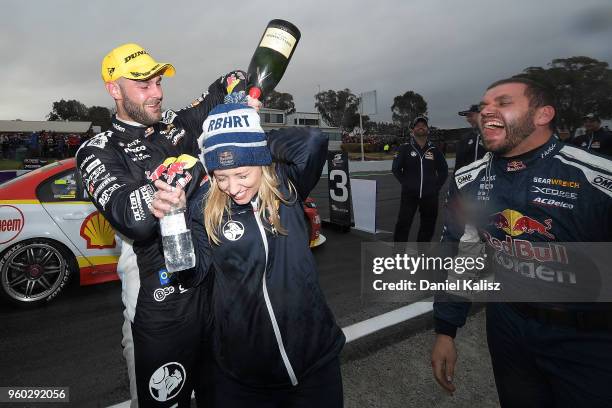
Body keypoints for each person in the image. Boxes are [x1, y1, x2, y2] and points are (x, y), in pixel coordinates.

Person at [76, 43, 253, 407]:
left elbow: (221, 88)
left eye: (158, 82)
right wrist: (199, 161)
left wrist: (238, 84)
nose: (157, 93)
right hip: (159, 310)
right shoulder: (98, 150)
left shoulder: (173, 123)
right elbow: (134, 219)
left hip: (215, 296)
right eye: (144, 86)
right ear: (114, 90)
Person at [431, 77, 612, 407]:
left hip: (589, 338)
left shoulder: (597, 179)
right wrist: (445, 329)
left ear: (542, 115)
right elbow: (463, 254)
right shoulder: (468, 178)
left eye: (502, 103)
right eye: (484, 105)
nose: (486, 111)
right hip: (507, 326)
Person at [152, 103, 345, 407]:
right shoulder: (203, 206)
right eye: (220, 176)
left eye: (242, 173)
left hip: (315, 361)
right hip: (245, 375)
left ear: (260, 160)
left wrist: (250, 141)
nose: (232, 187)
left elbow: (313, 141)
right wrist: (173, 221)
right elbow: (190, 274)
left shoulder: (287, 185)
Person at [392, 115, 448, 243]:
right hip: (409, 195)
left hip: (430, 196)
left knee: (428, 226)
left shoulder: (435, 149)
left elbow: (444, 171)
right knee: (403, 224)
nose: (421, 127)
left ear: (428, 130)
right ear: (413, 130)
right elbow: (396, 169)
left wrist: (436, 188)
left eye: (424, 125)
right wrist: (407, 184)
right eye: (418, 125)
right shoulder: (404, 148)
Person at [454, 104, 485, 172]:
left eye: (470, 116)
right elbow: (458, 165)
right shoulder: (465, 138)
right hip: (468, 181)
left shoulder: (494, 137)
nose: (468, 119)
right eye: (467, 117)